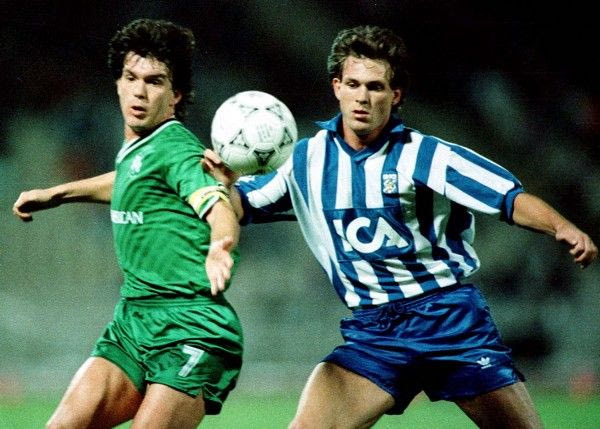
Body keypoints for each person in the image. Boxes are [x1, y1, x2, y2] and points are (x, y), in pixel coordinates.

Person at [201, 25, 598, 428]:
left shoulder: (425, 155)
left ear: (395, 95)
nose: (362, 97)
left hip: (447, 320)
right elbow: (241, 206)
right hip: (374, 334)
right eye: (353, 84)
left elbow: (507, 198)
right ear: (337, 87)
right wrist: (225, 185)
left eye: (375, 87)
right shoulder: (304, 160)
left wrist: (561, 227)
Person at [13, 19, 244, 428]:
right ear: (118, 83)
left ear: (175, 95)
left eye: (154, 81)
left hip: (191, 327)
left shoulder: (177, 148)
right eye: (131, 78)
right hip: (133, 322)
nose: (139, 91)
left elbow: (218, 206)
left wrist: (219, 244)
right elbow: (128, 181)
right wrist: (56, 194)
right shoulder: (139, 147)